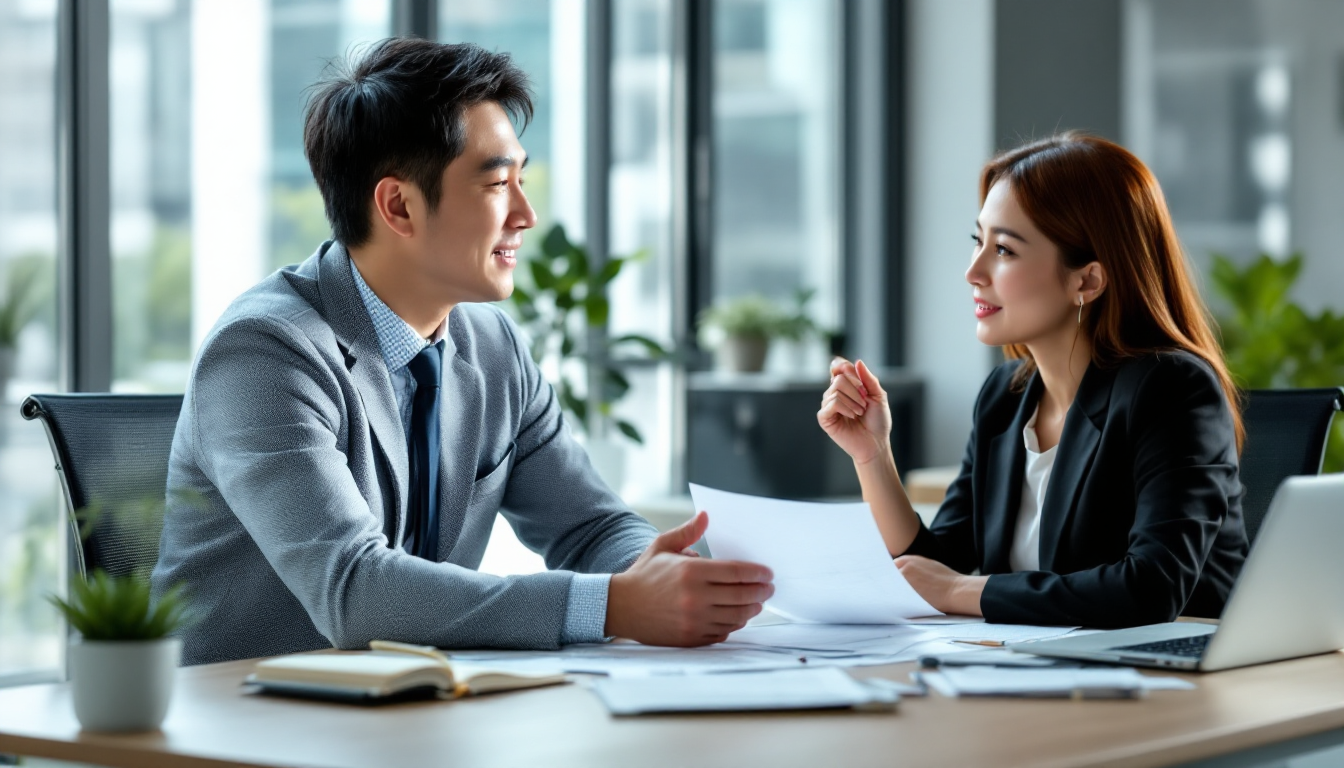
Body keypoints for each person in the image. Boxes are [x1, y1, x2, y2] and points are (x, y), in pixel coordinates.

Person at [152, 38, 772, 666]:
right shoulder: (265, 353)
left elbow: (591, 527)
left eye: (522, 180)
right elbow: (353, 591)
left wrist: (668, 575)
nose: (527, 214)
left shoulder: (493, 346)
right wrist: (613, 605)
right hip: (246, 726)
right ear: (398, 206)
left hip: (413, 714)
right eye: (499, 183)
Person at [818, 133, 1248, 627]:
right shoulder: (1006, 397)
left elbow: (1151, 589)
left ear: (1086, 280)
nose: (973, 272)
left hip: (1168, 677)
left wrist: (958, 589)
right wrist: (873, 454)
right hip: (1037, 667)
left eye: (1004, 250)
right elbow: (939, 564)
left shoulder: (1171, 389)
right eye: (978, 241)